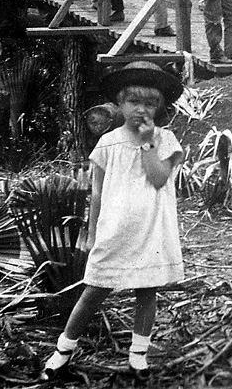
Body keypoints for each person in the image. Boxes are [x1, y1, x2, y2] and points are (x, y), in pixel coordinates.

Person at [41, 60, 185, 384]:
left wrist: (148, 142)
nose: (141, 109)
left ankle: (138, 357)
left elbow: (159, 178)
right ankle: (63, 351)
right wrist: (91, 233)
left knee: (147, 292)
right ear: (119, 104)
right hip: (115, 229)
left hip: (151, 230)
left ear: (160, 106)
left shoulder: (167, 140)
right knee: (94, 291)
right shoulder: (108, 143)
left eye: (150, 103)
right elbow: (97, 191)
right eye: (134, 101)